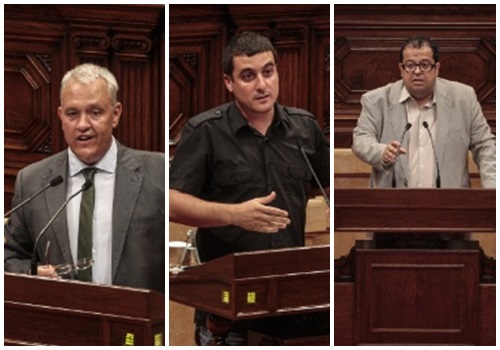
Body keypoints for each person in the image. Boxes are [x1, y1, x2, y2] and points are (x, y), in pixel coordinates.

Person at [169, 31, 330, 345]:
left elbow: (326, 187)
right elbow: (173, 204)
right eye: (248, 76)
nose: (262, 84)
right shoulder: (205, 131)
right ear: (229, 82)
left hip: (290, 296)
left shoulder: (304, 128)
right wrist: (235, 215)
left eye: (268, 72)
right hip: (227, 302)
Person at [4, 63, 165, 294]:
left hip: (134, 321)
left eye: (95, 112)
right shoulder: (33, 181)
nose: (82, 125)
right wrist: (32, 273)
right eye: (72, 113)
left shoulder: (157, 172)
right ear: (60, 116)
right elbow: (10, 257)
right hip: (62, 320)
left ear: (116, 113)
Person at [352, 36, 496, 189]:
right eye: (410, 65)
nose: (417, 71)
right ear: (401, 69)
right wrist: (382, 152)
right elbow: (360, 140)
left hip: (451, 204)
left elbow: (485, 145)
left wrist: (494, 190)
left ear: (437, 68)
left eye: (425, 65)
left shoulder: (463, 98)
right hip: (392, 204)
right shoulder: (376, 100)